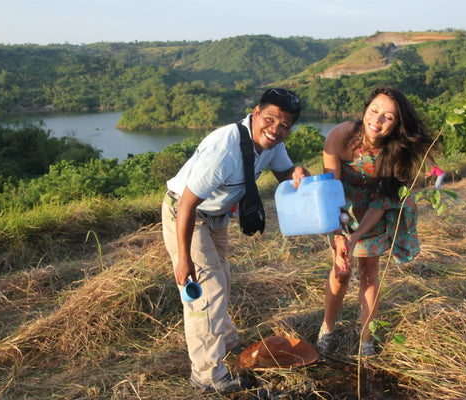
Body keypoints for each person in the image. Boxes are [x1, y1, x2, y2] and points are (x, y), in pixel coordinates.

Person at [161, 88, 309, 393]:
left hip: (217, 217)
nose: (275, 130)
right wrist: (184, 259)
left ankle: (224, 341)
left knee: (223, 279)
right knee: (206, 291)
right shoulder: (225, 149)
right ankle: (205, 373)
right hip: (188, 215)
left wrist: (297, 173)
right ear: (255, 114)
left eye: (284, 125)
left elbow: (284, 173)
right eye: (269, 120)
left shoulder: (272, 143)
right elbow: (186, 205)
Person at [318, 86, 434, 356]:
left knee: (369, 273)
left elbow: (382, 200)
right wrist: (340, 235)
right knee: (340, 272)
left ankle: (366, 339)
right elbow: (330, 191)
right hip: (339, 211)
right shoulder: (340, 136)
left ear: (396, 125)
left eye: (388, 117)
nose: (378, 120)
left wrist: (357, 236)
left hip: (373, 216)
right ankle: (327, 328)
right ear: (365, 109)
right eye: (375, 111)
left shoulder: (395, 153)